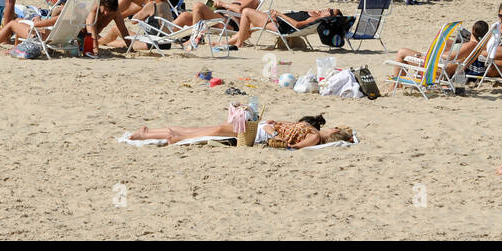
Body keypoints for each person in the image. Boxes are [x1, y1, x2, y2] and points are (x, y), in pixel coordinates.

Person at [127, 113, 348, 148]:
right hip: (262, 128)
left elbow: (294, 146)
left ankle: (169, 137)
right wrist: (275, 123)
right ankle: (148, 133)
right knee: (205, 128)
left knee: (210, 130)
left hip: (259, 134)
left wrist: (273, 134)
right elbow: (291, 131)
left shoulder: (316, 136)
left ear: (335, 131)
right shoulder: (313, 128)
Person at [390, 20, 492, 81]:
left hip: (437, 68)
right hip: (442, 66)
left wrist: (438, 54)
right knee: (445, 41)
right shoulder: (478, 46)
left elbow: (451, 57)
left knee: (402, 52)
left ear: (473, 30)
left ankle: (396, 85)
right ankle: (397, 82)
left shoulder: (471, 45)